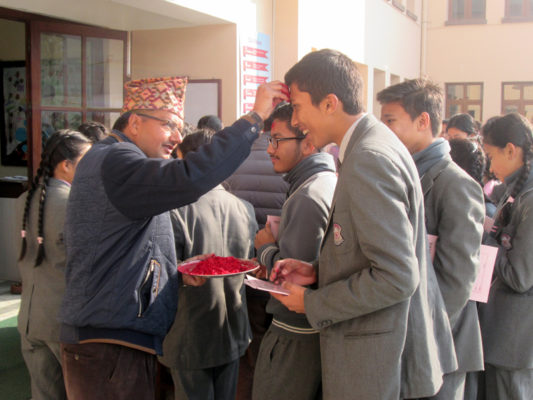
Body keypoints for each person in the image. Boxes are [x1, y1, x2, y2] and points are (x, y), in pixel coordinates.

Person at [58, 76, 288, 400]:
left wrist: (175, 275)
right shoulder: (118, 161)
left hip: (115, 339)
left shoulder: (116, 162)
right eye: (168, 125)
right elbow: (189, 178)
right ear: (134, 123)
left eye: (180, 127)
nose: (177, 137)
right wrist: (253, 120)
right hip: (109, 344)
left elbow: (124, 250)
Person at [269, 49, 456, 400]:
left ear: (329, 103)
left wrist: (313, 303)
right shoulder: (369, 146)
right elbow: (366, 249)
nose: (295, 121)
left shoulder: (369, 157)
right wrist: (317, 271)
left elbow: (397, 275)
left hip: (375, 364)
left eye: (296, 106)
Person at [377, 78, 485, 400]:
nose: (383, 130)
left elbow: (458, 280)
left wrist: (420, 336)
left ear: (423, 121)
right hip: (410, 339)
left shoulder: (455, 184)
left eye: (390, 121)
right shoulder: (404, 173)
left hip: (441, 344)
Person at [159, 129, 258, 400]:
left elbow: (164, 271)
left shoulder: (173, 209)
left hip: (189, 333)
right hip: (233, 327)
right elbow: (246, 261)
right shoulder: (244, 207)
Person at [252, 103, 337, 400]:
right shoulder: (323, 183)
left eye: (277, 140)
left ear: (309, 143)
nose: (270, 149)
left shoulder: (309, 196)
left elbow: (291, 283)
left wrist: (265, 250)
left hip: (294, 335)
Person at [17, 130, 92, 400]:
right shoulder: (76, 204)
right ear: (66, 165)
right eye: (88, 161)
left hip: (30, 318)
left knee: (45, 394)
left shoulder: (22, 202)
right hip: (64, 321)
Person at [224, 109, 289, 400]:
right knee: (275, 344)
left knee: (248, 344)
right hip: (281, 265)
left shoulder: (236, 157)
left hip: (246, 267)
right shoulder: (289, 161)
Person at [477, 113, 533, 400]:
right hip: (501, 335)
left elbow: (520, 276)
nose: (490, 165)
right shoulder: (516, 191)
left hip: (514, 342)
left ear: (511, 150)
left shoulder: (529, 198)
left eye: (491, 155)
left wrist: (485, 239)